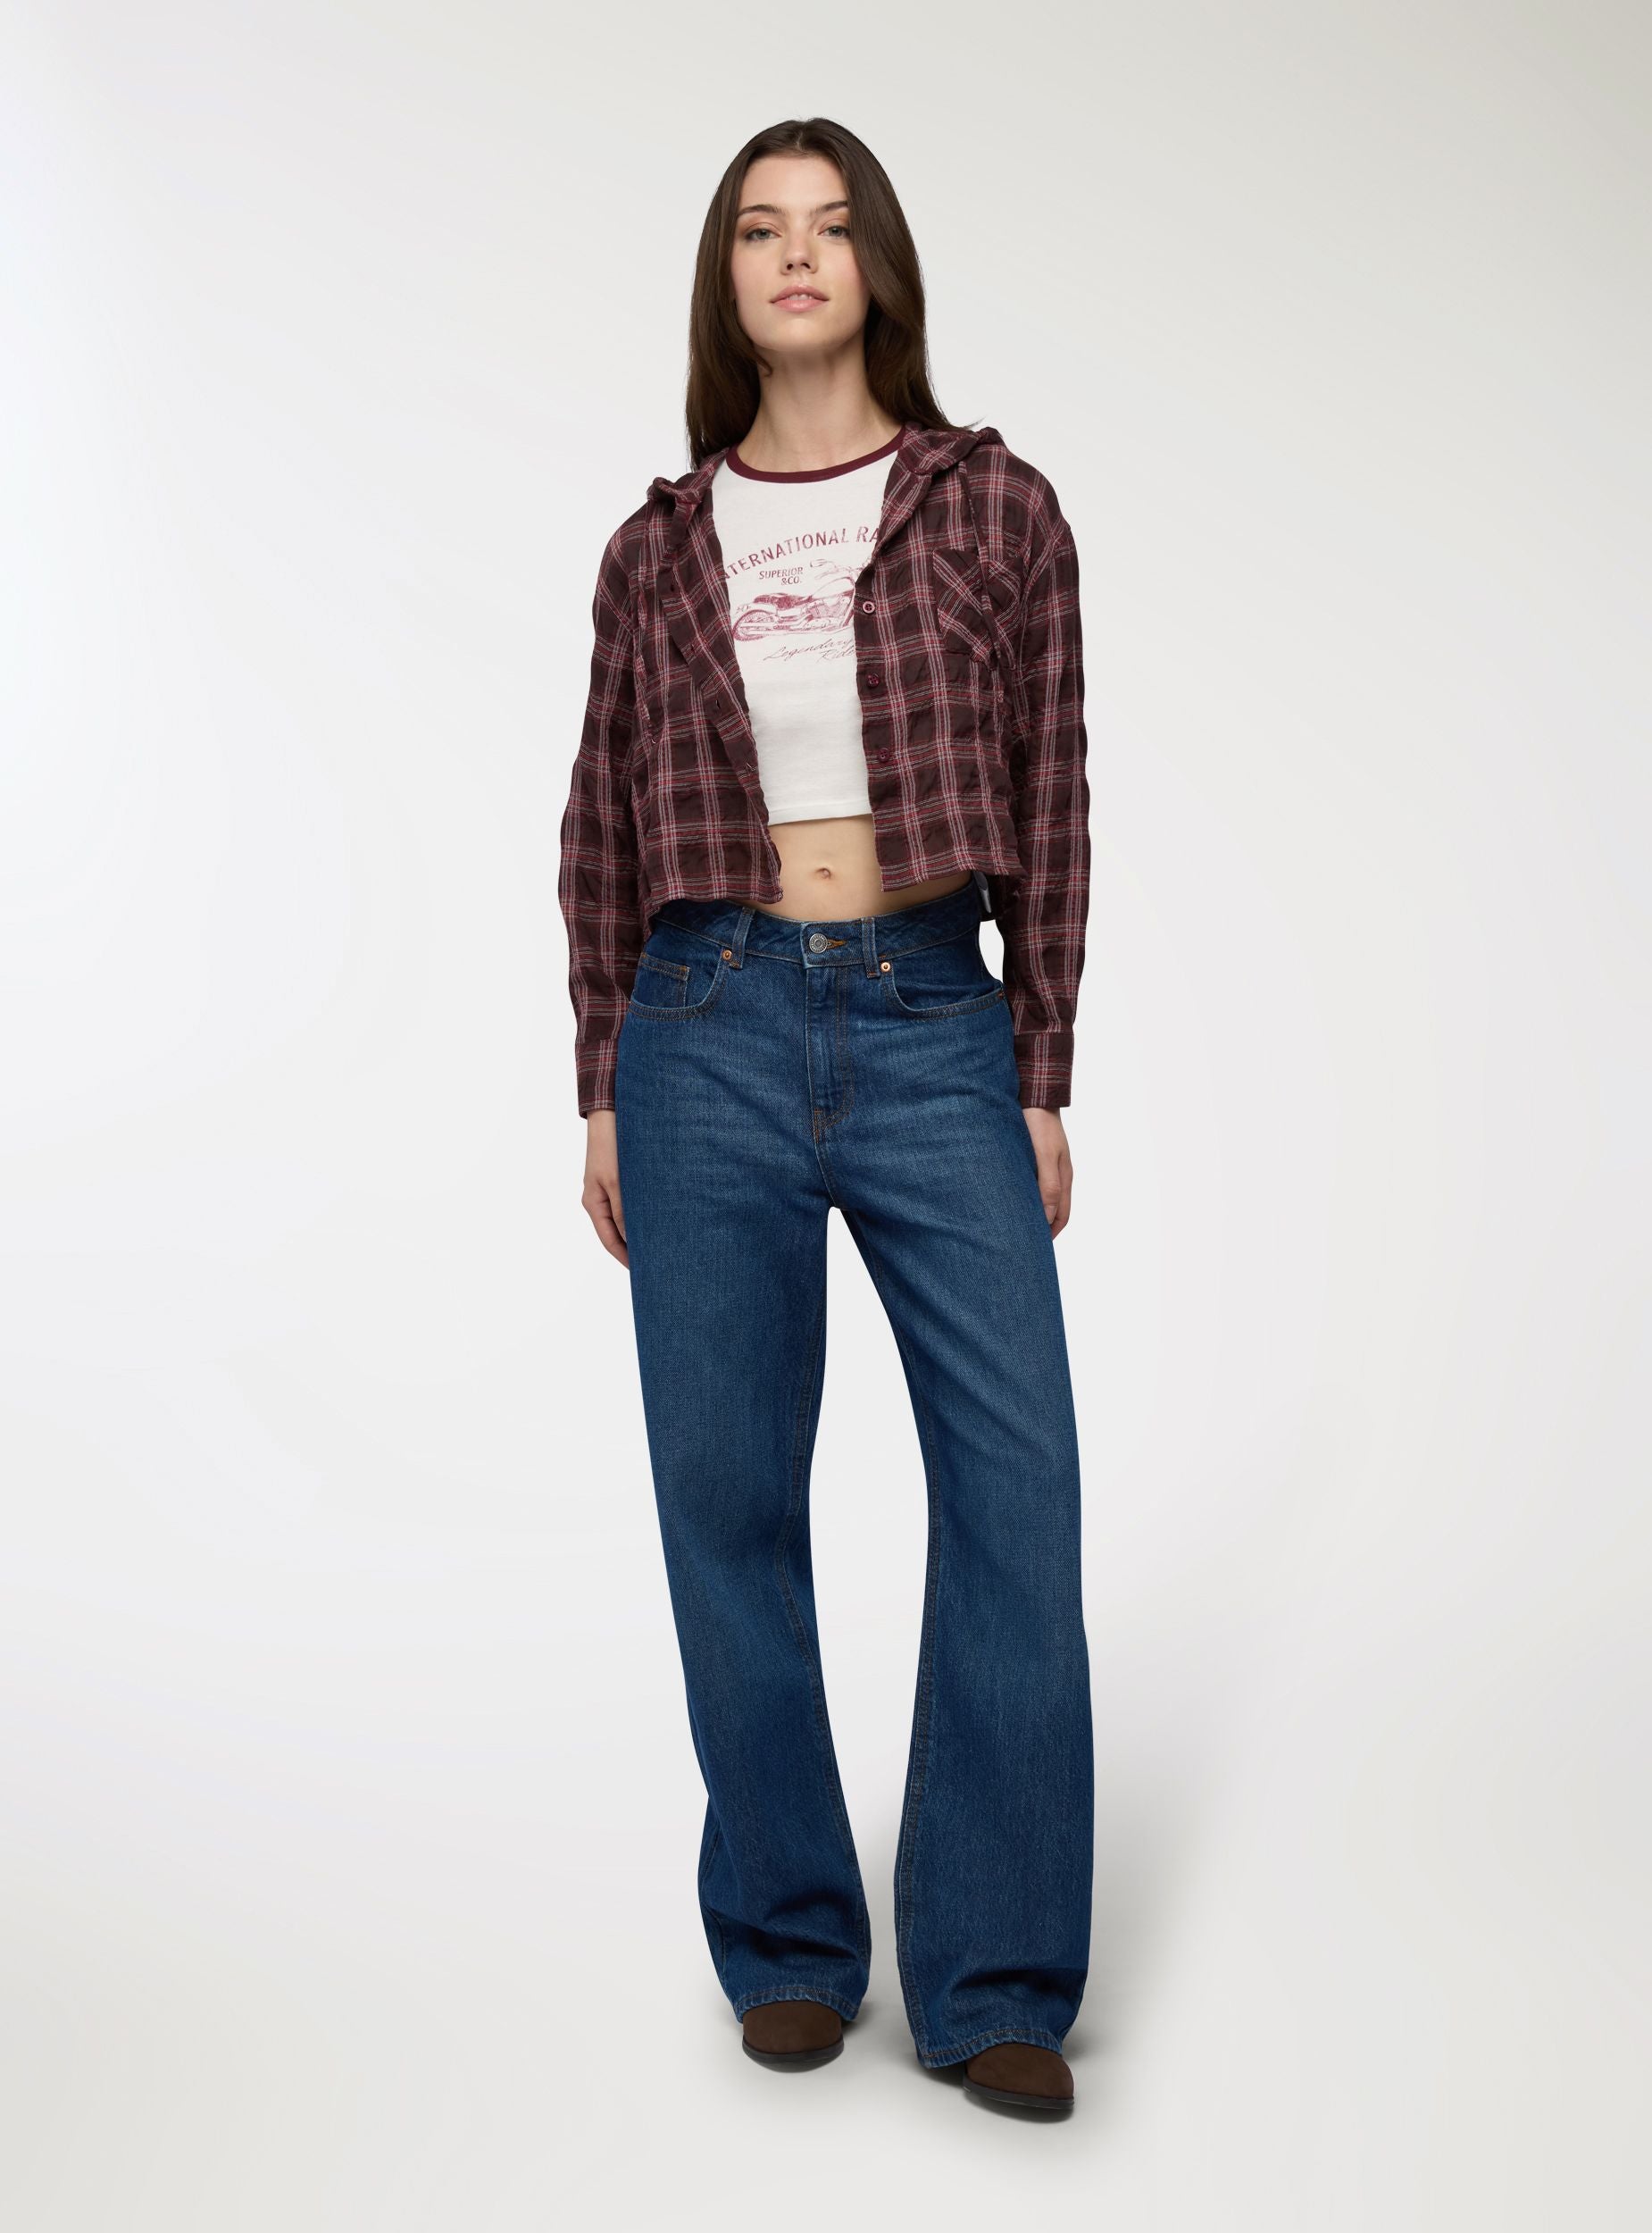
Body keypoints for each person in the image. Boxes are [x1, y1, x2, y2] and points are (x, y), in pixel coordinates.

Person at [557, 117, 1093, 2113]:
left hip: (934, 1015)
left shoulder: (991, 505)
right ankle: (787, 1937)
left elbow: (1054, 793)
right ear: (725, 278)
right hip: (701, 1021)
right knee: (726, 1493)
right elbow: (599, 825)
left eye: (833, 224)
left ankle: (996, 1973)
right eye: (761, 229)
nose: (798, 254)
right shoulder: (654, 548)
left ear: (878, 268)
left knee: (1014, 1487)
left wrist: (1039, 1065)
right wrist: (601, 1082)